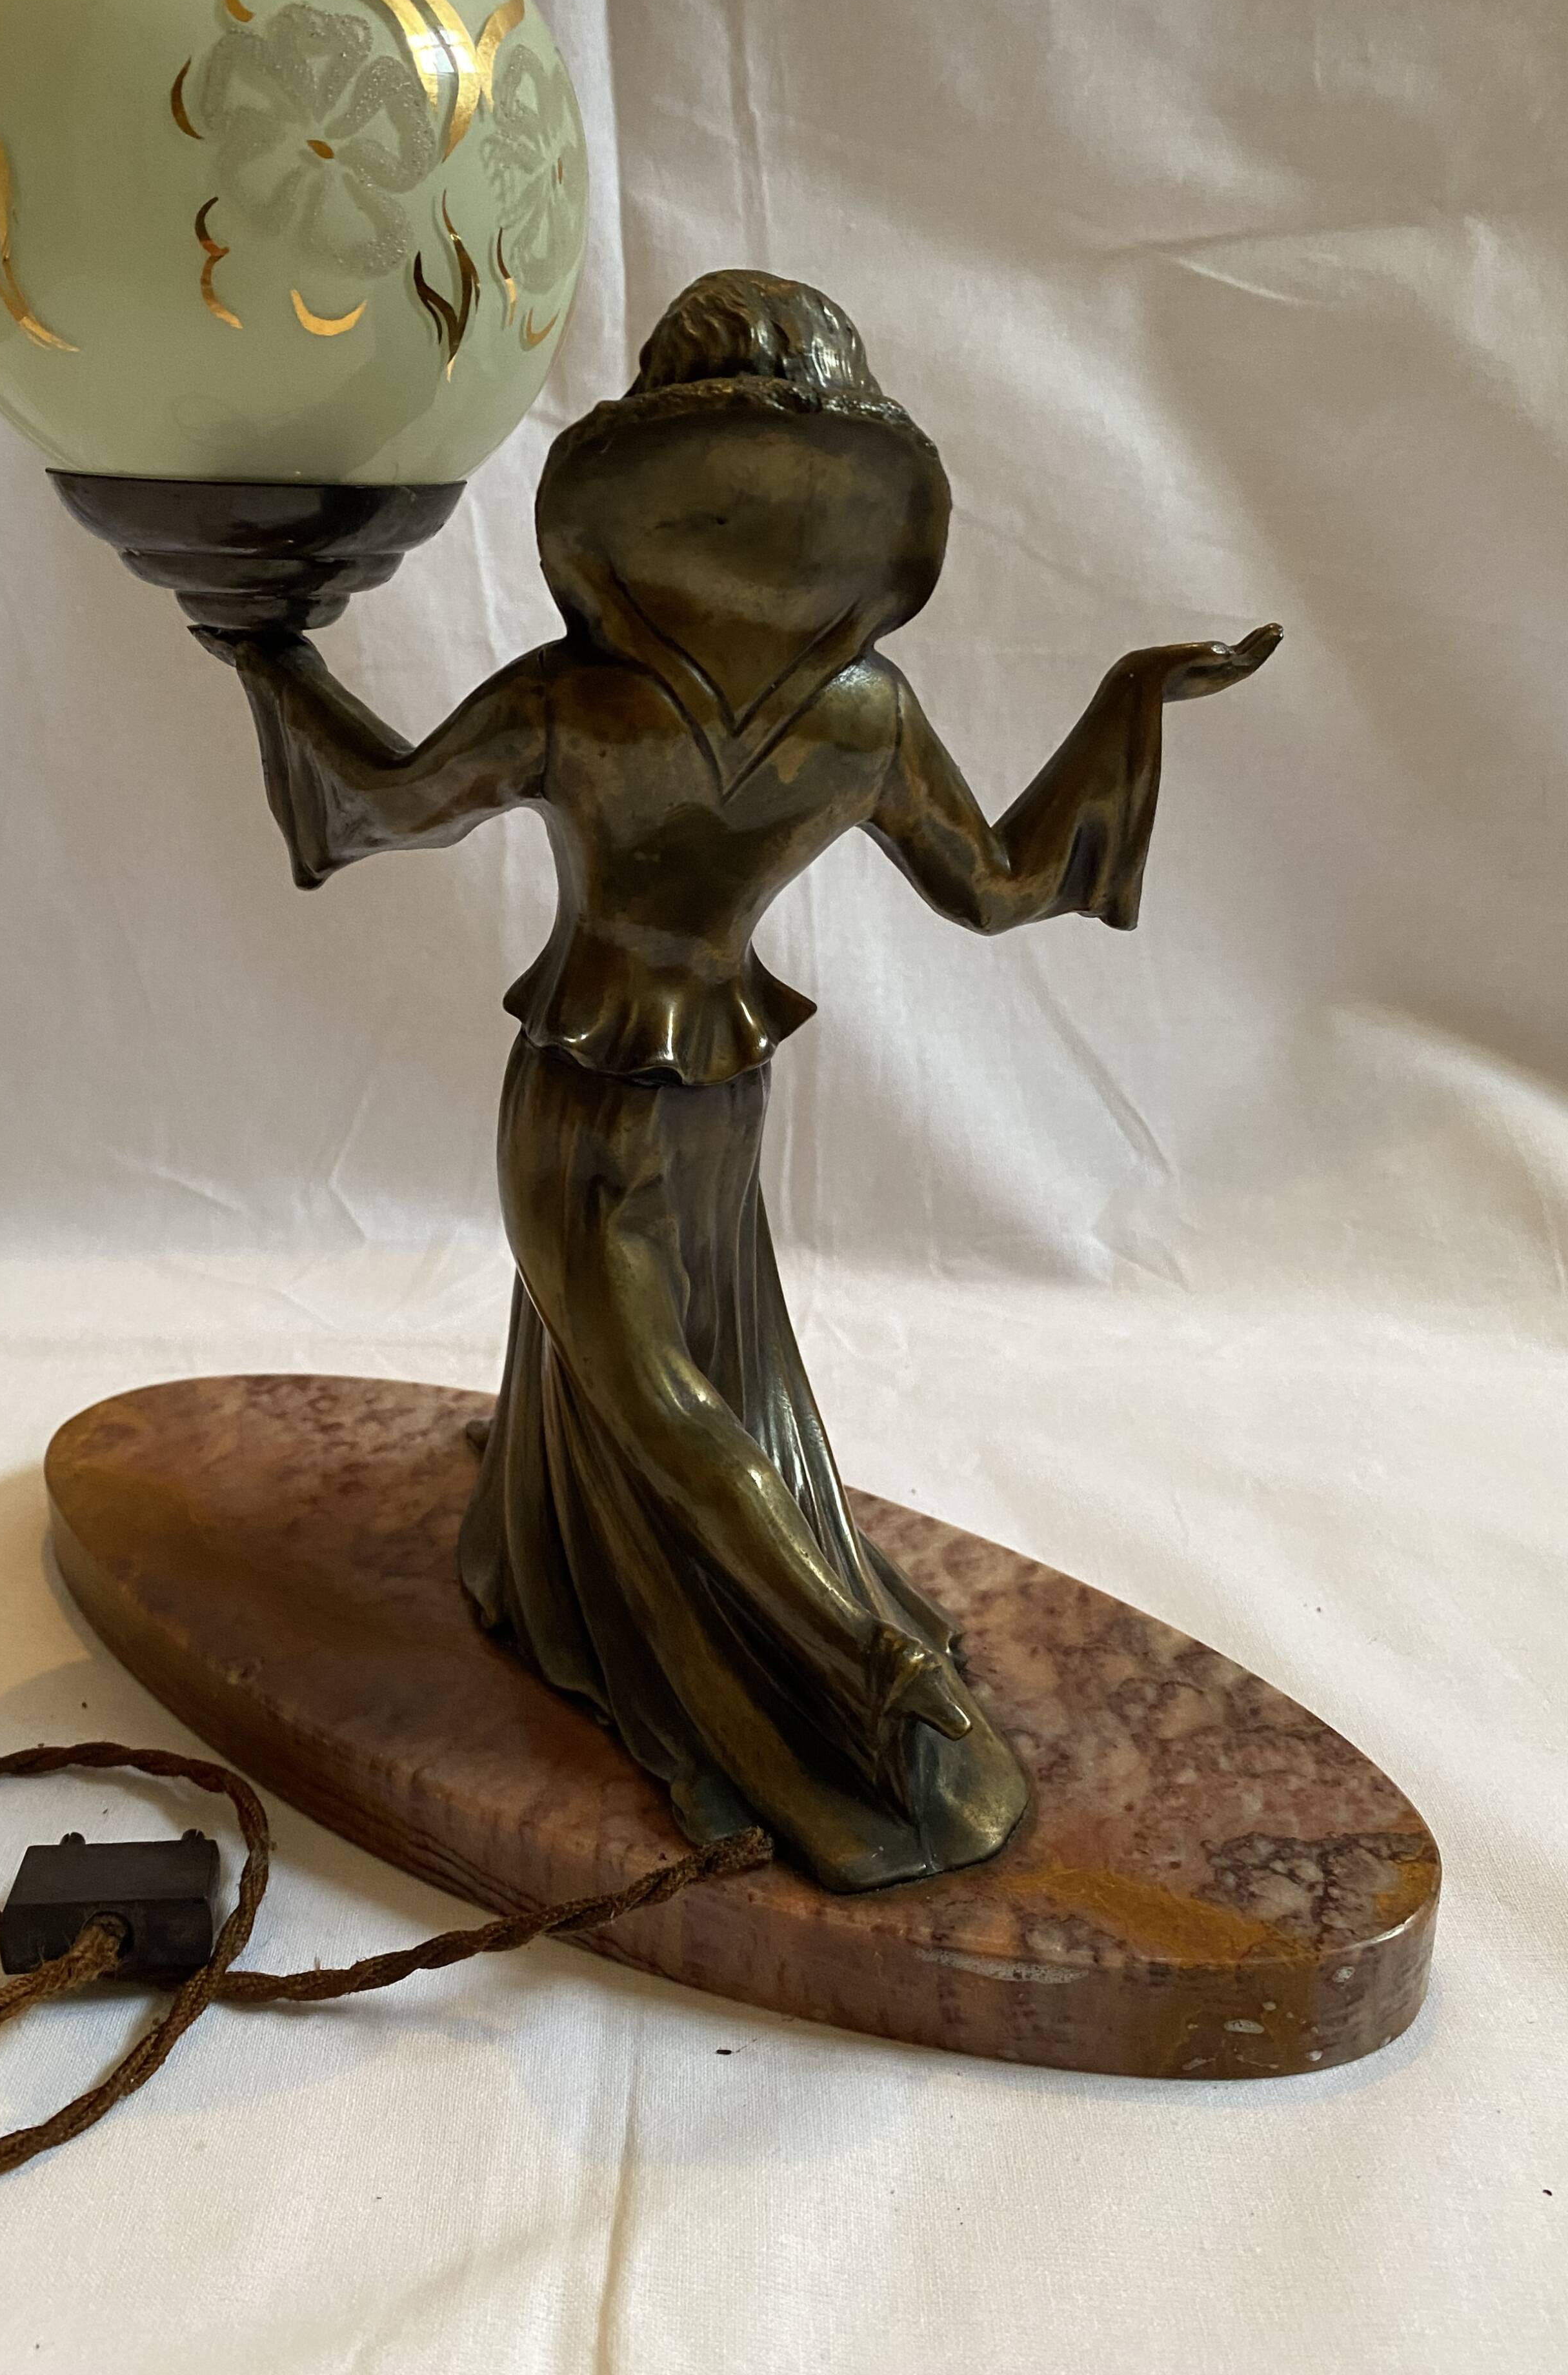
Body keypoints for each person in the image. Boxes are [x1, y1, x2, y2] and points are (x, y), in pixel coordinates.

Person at [206, 270, 1279, 1891]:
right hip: (722, 1093)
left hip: (582, 1087)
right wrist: (1131, 703)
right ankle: (565, 1563)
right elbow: (1000, 884)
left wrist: (266, 652)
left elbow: (375, 810)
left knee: (665, 1397)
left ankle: (864, 1662)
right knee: (644, 1379)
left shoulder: (580, 700)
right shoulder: (860, 715)